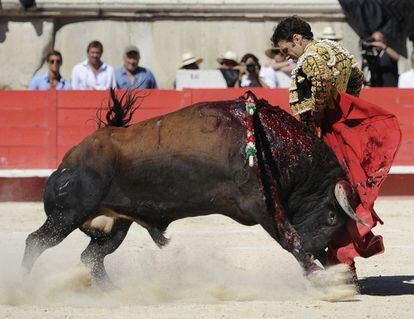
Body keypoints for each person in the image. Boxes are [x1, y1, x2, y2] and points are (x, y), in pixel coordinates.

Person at [271, 16, 401, 281]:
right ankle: (341, 264)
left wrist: (320, 116)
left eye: (287, 50)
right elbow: (356, 77)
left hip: (324, 135)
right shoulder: (335, 49)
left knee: (321, 199)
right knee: (340, 196)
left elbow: (320, 83)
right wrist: (344, 107)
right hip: (339, 132)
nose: (289, 57)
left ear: (297, 39)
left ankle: (338, 265)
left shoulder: (310, 57)